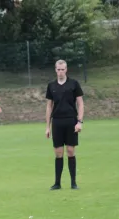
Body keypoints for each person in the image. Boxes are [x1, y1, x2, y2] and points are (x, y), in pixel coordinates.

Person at [45, 60, 84, 190]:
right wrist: (47, 127)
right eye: (58, 69)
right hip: (57, 121)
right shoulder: (51, 86)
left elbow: (80, 104)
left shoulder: (74, 84)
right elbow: (49, 107)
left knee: (70, 151)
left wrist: (79, 121)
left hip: (71, 120)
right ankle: (57, 183)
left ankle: (73, 182)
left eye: (63, 69)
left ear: (66, 69)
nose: (60, 72)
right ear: (55, 70)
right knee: (58, 152)